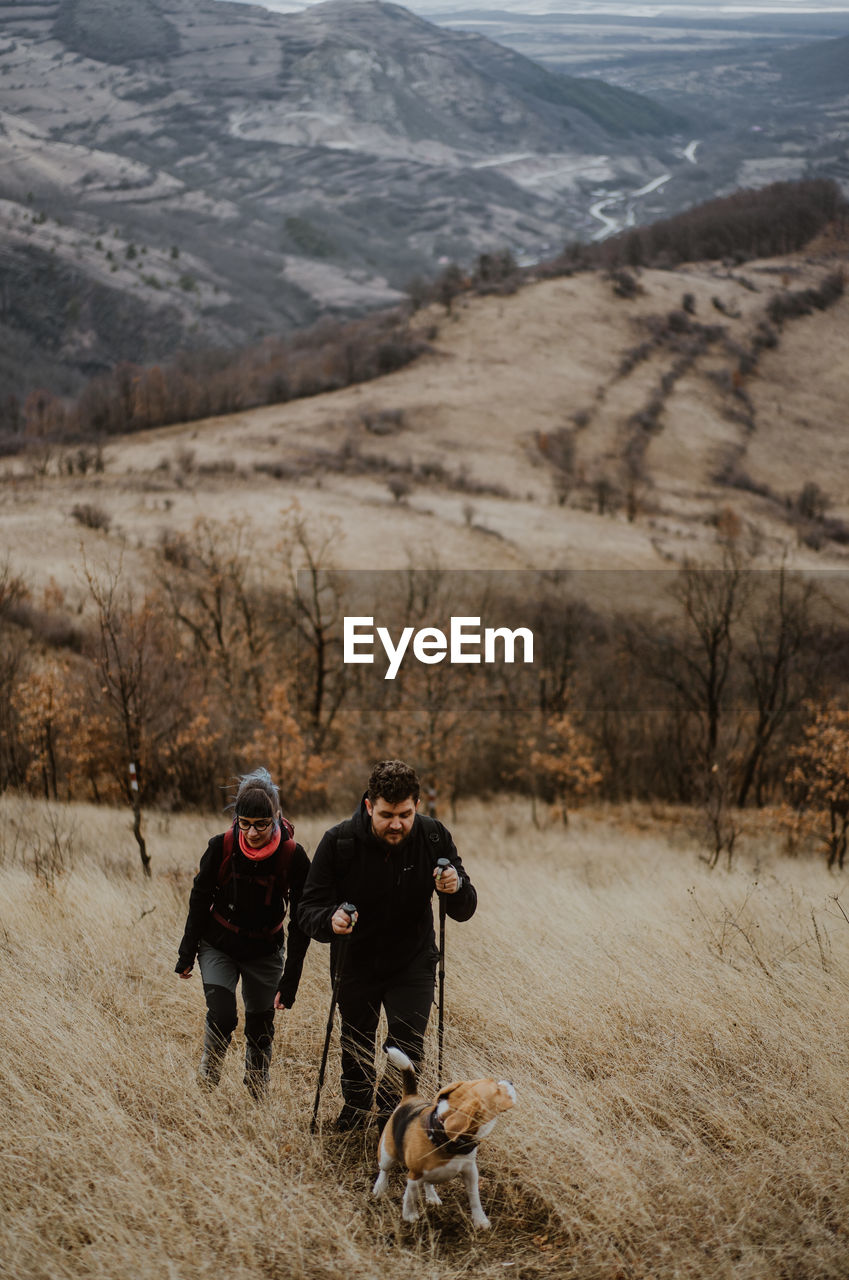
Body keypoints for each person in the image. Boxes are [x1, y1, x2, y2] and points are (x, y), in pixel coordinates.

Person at [298, 758, 477, 1131]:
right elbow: (307, 909)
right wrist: (330, 920)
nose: (396, 824)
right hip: (355, 961)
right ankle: (357, 1113)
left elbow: (464, 907)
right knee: (356, 1045)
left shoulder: (432, 837)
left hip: (412, 961)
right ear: (369, 805)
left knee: (408, 1046)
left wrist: (455, 886)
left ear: (417, 806)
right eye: (386, 815)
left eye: (405, 814)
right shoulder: (339, 842)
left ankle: (392, 1121)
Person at [175, 767, 311, 1099]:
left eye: (261, 825)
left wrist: (291, 977)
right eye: (244, 823)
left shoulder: (292, 855)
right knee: (222, 1016)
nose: (251, 833)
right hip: (219, 944)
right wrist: (187, 951)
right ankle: (208, 1078)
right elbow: (199, 896)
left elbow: (302, 917)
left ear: (276, 817)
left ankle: (255, 1092)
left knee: (260, 1028)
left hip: (265, 951)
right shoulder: (221, 846)